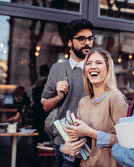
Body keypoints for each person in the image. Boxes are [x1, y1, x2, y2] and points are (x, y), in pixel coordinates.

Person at [41, 19, 94, 167]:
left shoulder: (96, 69)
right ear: (70, 42)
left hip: (90, 144)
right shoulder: (57, 69)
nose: (87, 43)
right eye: (81, 39)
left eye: (90, 38)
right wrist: (58, 96)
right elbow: (45, 106)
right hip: (62, 144)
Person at [63, 47, 128, 167]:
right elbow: (84, 143)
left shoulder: (115, 98)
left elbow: (126, 141)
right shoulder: (83, 102)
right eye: (89, 63)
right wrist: (66, 147)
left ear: (108, 68)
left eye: (98, 62)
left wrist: (90, 132)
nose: (93, 66)